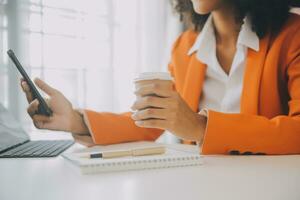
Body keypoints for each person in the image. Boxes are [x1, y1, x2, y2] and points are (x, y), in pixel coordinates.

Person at [21, 0, 300, 155]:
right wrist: (75, 119)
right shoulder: (184, 47)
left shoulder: (292, 35)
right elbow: (153, 122)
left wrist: (201, 127)